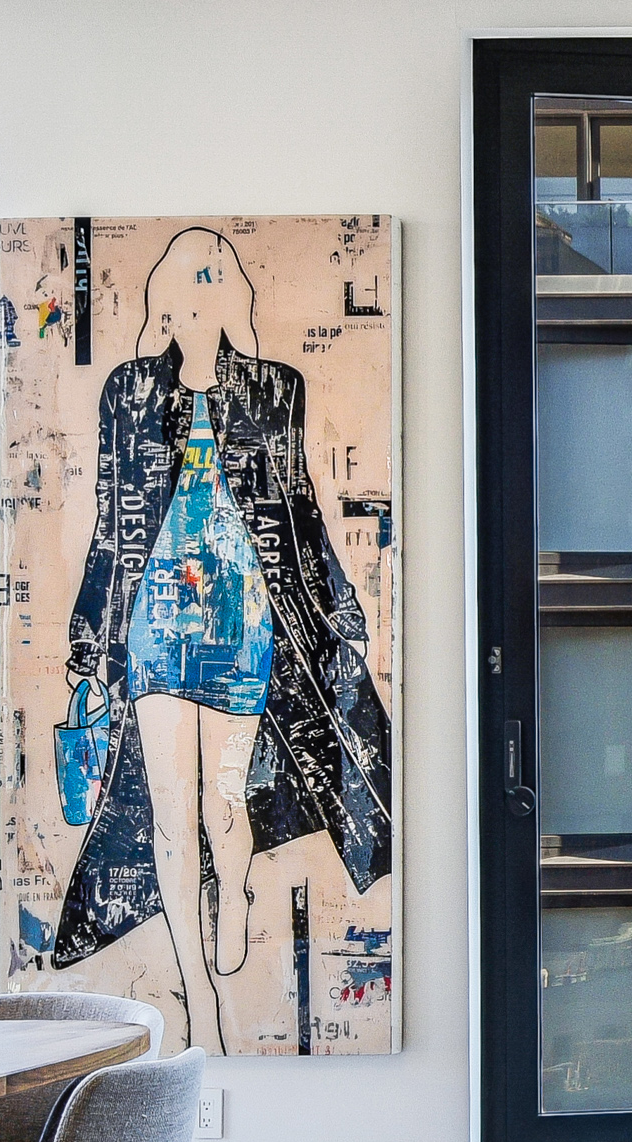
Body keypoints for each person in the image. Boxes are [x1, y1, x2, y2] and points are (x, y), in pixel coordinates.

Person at [48, 228, 393, 1044]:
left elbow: (299, 511)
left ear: (234, 290)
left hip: (242, 621)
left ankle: (230, 893)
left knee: (224, 802)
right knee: (172, 817)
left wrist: (342, 618)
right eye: (186, 278)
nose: (201, 291)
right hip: (155, 626)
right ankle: (198, 996)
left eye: (215, 274)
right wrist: (90, 653)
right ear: (164, 298)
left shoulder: (276, 389)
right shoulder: (129, 393)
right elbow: (110, 520)